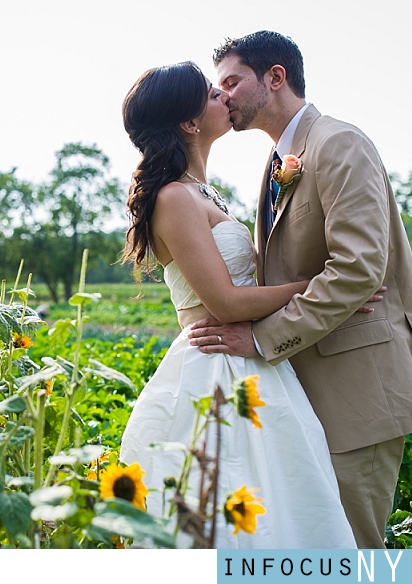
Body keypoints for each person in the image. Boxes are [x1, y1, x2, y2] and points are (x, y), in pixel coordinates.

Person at [187, 31, 412, 548]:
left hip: (358, 391)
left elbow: (357, 268)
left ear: (275, 77)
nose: (223, 97)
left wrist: (260, 339)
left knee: (355, 550)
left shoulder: (339, 142)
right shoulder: (276, 163)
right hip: (307, 389)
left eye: (232, 82)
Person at [118, 61, 356, 548]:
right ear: (188, 123)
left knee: (284, 504)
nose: (223, 98)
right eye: (211, 94)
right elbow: (225, 301)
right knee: (234, 512)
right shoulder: (175, 198)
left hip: (250, 359)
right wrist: (322, 285)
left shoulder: (207, 194)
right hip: (216, 367)